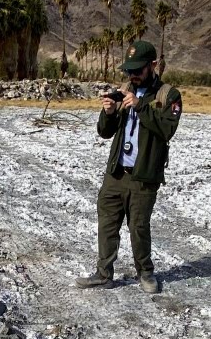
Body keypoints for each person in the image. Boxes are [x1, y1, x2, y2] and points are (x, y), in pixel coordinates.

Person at [75, 40, 182, 294]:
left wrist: (141, 105)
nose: (132, 76)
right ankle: (104, 274)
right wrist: (109, 112)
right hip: (117, 173)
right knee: (107, 223)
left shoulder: (168, 95)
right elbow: (104, 132)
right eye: (129, 71)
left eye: (138, 70)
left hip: (144, 176)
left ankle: (145, 272)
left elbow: (167, 129)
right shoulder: (124, 91)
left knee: (139, 227)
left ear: (153, 66)